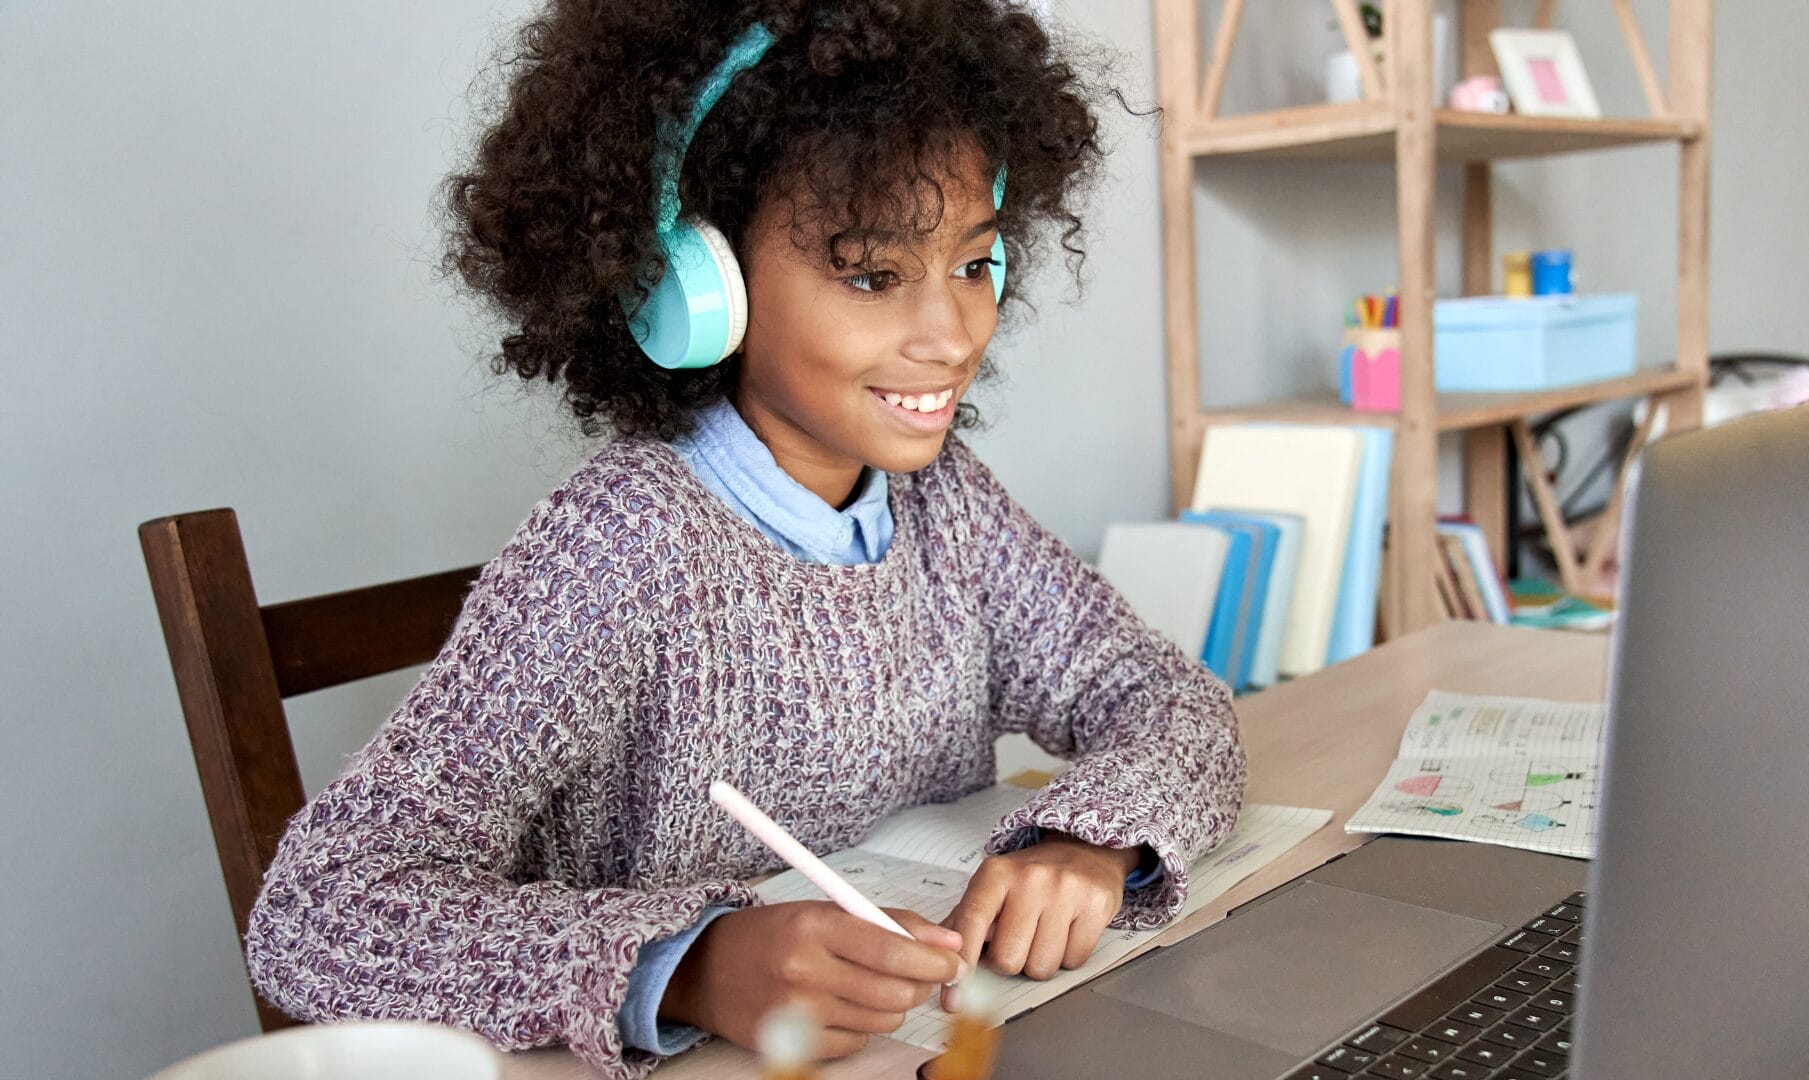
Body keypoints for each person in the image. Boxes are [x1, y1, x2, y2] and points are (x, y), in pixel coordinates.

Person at [244, 2, 1246, 1077]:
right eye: (872, 276)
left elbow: (1167, 697)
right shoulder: (618, 549)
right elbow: (318, 908)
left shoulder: (946, 504)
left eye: (972, 265)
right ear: (695, 286)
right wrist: (687, 965)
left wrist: (1096, 838)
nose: (952, 336)